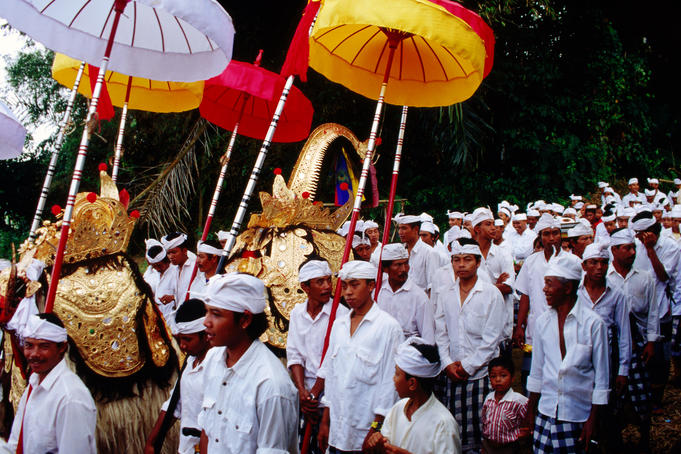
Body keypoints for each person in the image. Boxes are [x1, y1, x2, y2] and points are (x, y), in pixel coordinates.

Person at [198, 273, 299, 453]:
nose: (206, 322)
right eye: (207, 311)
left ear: (244, 320)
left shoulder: (271, 386)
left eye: (216, 314)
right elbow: (208, 431)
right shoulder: (212, 360)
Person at [525, 253, 610, 454]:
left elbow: (602, 379)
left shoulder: (593, 324)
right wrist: (531, 410)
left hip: (578, 414)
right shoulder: (543, 322)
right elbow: (537, 371)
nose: (544, 289)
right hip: (546, 411)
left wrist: (592, 421)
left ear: (568, 288)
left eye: (549, 283)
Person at [317, 260, 404, 453]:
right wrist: (325, 421)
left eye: (355, 285)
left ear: (371, 285)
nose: (348, 292)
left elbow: (390, 385)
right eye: (345, 286)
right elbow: (331, 376)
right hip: (337, 430)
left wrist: (376, 429)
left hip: (366, 432)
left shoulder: (388, 327)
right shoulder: (339, 326)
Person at [433, 238, 506, 453]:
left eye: (467, 260)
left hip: (480, 375)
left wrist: (468, 366)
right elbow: (441, 332)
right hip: (452, 374)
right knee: (453, 432)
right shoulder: (445, 294)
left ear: (478, 263)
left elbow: (492, 339)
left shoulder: (491, 294)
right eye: (456, 260)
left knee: (481, 433)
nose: (461, 265)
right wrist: (447, 363)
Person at [1, 313, 97, 453]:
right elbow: (15, 447)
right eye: (29, 345)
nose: (34, 354)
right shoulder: (33, 386)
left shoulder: (71, 397)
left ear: (62, 348)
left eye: (43, 346)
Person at [287, 260, 349, 454]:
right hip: (305, 396)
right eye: (320, 282)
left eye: (328, 281)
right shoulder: (297, 314)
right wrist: (302, 391)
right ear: (305, 287)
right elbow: (294, 354)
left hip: (330, 396)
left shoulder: (341, 314)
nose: (327, 287)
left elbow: (334, 359)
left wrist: (314, 393)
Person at [606, 227, 658, 452]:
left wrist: (651, 341)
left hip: (638, 341)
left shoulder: (645, 278)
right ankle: (615, 438)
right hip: (612, 343)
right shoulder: (605, 278)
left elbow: (653, 312)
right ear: (614, 250)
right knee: (613, 392)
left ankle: (644, 436)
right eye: (626, 248)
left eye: (633, 248)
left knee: (641, 392)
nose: (631, 252)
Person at [364, 338, 462, 454]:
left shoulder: (443, 423)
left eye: (397, 374)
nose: (393, 379)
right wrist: (377, 445)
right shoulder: (397, 409)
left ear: (412, 383)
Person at [145, 299, 212, 454]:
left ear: (205, 336)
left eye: (188, 339)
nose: (182, 345)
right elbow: (174, 403)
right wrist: (151, 443)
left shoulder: (217, 367)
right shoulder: (190, 362)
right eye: (180, 339)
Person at [630, 210, 681, 410]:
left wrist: (651, 250)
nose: (638, 238)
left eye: (641, 234)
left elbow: (663, 277)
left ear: (651, 231)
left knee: (660, 354)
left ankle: (656, 398)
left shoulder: (670, 247)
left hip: (660, 305)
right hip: (637, 305)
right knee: (641, 352)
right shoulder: (636, 246)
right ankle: (642, 393)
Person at [514, 213, 564, 389]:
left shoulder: (570, 261)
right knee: (532, 377)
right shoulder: (531, 261)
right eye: (546, 234)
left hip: (563, 326)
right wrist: (519, 325)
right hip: (536, 325)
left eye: (555, 233)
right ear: (540, 237)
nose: (551, 238)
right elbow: (525, 295)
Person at [377, 243, 435, 342]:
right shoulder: (379, 291)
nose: (404, 269)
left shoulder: (419, 297)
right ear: (386, 269)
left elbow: (428, 337)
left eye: (406, 263)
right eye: (398, 265)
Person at [481, 356, 529, 454]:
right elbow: (485, 422)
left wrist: (520, 434)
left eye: (503, 376)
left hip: (509, 448)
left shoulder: (518, 400)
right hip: (489, 446)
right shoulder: (489, 398)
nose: (498, 380)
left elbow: (528, 421)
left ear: (512, 378)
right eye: (493, 376)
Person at [395, 214, 439, 293]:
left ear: (416, 229)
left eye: (404, 228)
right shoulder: (399, 251)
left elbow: (432, 286)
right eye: (399, 228)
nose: (400, 232)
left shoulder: (429, 253)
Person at [161, 232, 196, 310]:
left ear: (184, 251)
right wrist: (173, 298)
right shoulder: (174, 269)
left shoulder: (195, 268)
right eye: (168, 253)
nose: (171, 257)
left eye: (174, 252)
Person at [143, 239, 176, 322]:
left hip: (174, 316)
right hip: (158, 317)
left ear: (166, 260)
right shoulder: (151, 273)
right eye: (154, 266)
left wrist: (173, 297)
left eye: (159, 266)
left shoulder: (176, 271)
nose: (157, 269)